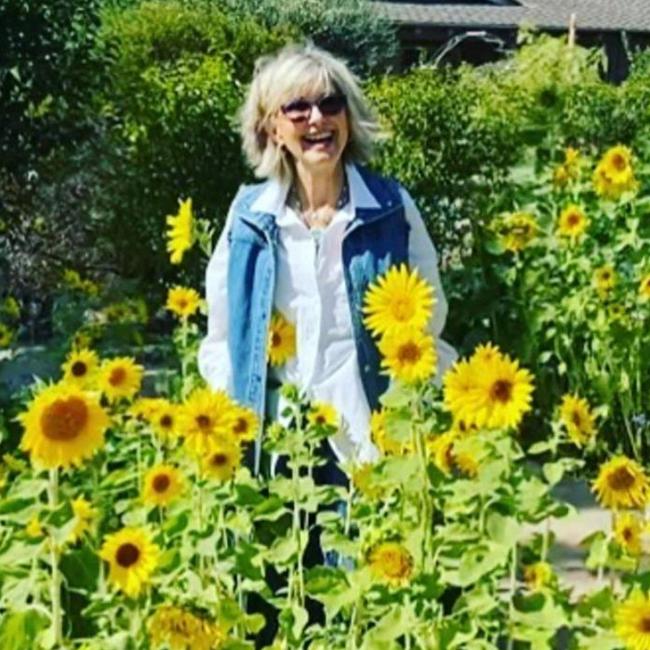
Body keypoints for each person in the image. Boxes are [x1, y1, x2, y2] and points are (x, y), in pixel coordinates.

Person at [197, 41, 457, 477]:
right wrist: (237, 415)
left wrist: (406, 420)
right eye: (297, 108)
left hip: (368, 444)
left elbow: (429, 321)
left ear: (348, 120)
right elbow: (224, 336)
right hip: (280, 448)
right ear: (272, 129)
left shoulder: (391, 209)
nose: (317, 119)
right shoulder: (249, 218)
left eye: (330, 104)